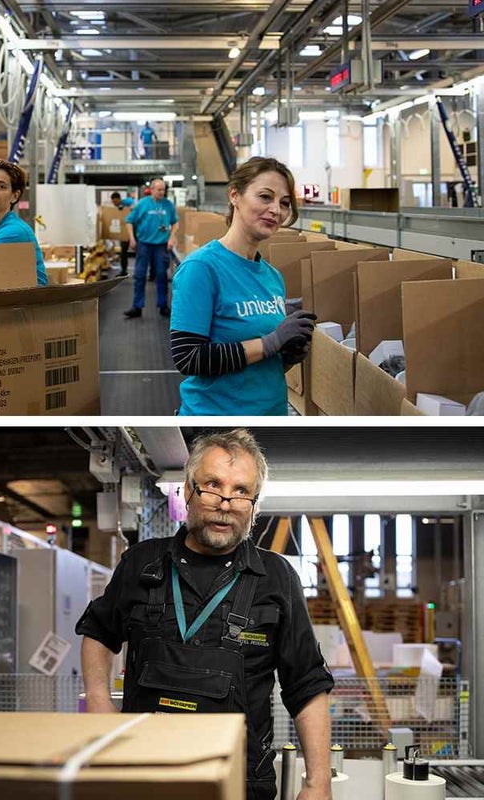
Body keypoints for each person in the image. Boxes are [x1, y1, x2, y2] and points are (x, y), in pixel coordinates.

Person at [77, 429, 334, 800]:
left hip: (239, 784)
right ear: (188, 490)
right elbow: (99, 632)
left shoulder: (276, 578)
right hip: (144, 776)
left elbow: (306, 683)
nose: (226, 502)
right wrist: (99, 702)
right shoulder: (141, 563)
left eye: (242, 491)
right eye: (213, 485)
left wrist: (318, 781)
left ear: (254, 505)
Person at [169, 156, 316, 415]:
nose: (276, 210)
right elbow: (188, 357)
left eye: (284, 203)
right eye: (265, 196)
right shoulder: (202, 269)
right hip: (217, 423)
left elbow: (254, 364)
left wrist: (285, 355)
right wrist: (270, 343)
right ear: (235, 195)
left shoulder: (273, 277)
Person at [123, 178, 177, 318]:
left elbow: (175, 223)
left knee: (161, 275)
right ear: (152, 190)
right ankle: (137, 306)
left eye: (163, 190)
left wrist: (172, 237)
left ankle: (163, 305)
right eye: (158, 190)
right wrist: (132, 238)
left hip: (161, 245)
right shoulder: (143, 204)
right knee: (140, 275)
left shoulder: (168, 205)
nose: (161, 192)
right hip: (144, 244)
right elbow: (129, 221)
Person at [108, 192, 131, 276]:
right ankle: (124, 271)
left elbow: (135, 207)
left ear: (118, 199)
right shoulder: (117, 207)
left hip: (135, 230)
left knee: (141, 252)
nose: (114, 204)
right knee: (123, 252)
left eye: (114, 202)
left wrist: (126, 208)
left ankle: (149, 273)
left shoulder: (127, 202)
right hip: (125, 232)